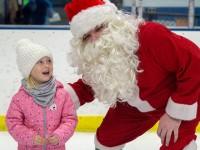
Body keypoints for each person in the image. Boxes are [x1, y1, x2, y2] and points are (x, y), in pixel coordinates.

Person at [64, 0, 200, 149]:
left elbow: (194, 64)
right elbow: (91, 84)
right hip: (137, 106)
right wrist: (58, 100)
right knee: (106, 139)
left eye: (99, 27)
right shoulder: (98, 53)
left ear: (114, 21)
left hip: (183, 97)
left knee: (176, 144)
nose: (95, 37)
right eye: (86, 36)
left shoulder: (151, 35)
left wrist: (175, 115)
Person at [6, 38, 77, 150]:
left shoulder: (62, 95)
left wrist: (60, 135)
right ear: (28, 69)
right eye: (40, 62)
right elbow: (13, 122)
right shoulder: (19, 98)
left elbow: (70, 119)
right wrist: (30, 136)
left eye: (49, 61)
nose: (46, 65)